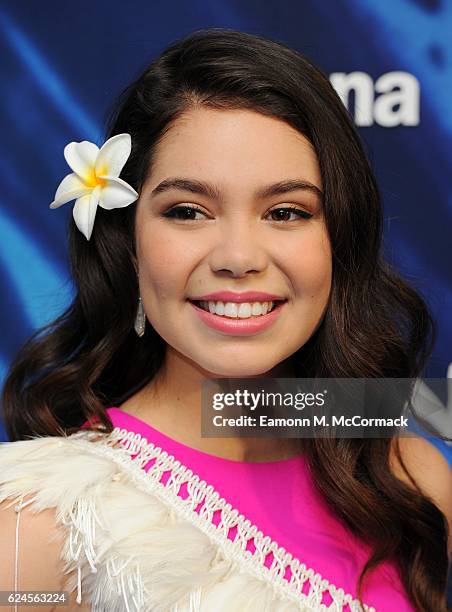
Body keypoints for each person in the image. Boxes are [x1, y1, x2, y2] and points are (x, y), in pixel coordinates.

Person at [0, 28, 450, 612]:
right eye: (188, 211)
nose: (239, 258)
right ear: (129, 245)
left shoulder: (404, 474)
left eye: (286, 212)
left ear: (338, 240)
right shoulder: (39, 522)